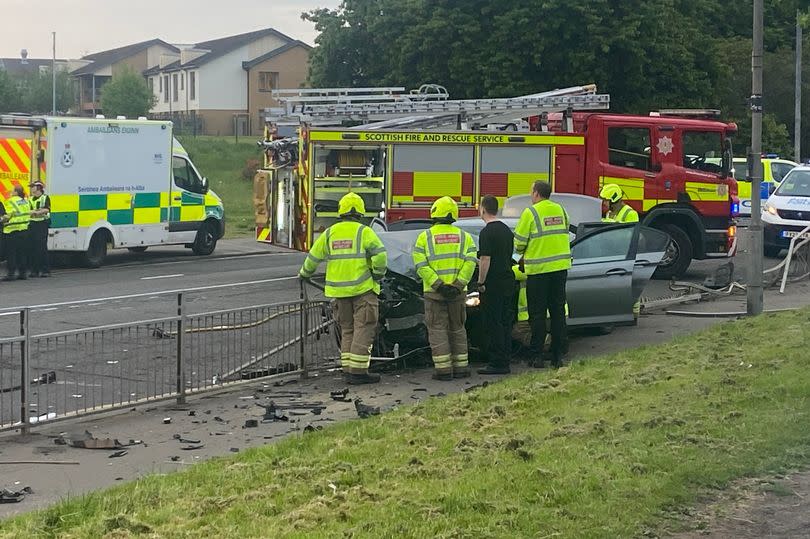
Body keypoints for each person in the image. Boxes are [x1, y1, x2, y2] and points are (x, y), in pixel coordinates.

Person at [298, 193, 387, 385]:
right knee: (363, 329)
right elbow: (380, 255)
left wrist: (304, 274)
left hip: (339, 294)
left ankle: (348, 369)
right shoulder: (364, 232)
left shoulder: (330, 233)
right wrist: (378, 275)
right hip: (363, 290)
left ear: (341, 211)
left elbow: (313, 257)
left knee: (347, 330)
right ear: (360, 212)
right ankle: (358, 372)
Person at [413, 196, 478, 381]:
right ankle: (461, 368)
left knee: (437, 329)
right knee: (458, 327)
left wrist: (439, 285)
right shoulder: (464, 237)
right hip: (458, 294)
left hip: (435, 294)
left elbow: (420, 265)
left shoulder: (424, 237)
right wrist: (458, 284)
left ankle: (443, 370)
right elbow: (471, 262)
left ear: (434, 213)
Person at [514, 180, 571, 368]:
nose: (531, 195)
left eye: (531, 192)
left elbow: (519, 243)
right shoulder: (560, 210)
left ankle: (537, 356)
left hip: (538, 272)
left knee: (537, 315)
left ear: (536, 193)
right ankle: (557, 355)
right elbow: (565, 230)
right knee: (557, 312)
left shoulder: (531, 212)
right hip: (560, 269)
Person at [475, 195, 515, 375]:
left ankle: (497, 363)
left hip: (493, 284)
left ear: (483, 209)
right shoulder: (506, 230)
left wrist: (481, 281)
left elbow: (485, 259)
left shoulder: (486, 232)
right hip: (508, 281)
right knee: (505, 323)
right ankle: (505, 359)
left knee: (493, 323)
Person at [1, 185, 32, 281]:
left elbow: (7, 215)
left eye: (12, 190)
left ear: (16, 192)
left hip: (12, 230)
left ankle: (11, 274)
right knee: (22, 253)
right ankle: (23, 273)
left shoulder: (10, 201)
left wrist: (2, 219)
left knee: (11, 253)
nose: (11, 192)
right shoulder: (25, 201)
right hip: (24, 229)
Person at [28, 181, 51, 278]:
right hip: (32, 224)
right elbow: (28, 210)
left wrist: (38, 212)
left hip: (42, 224)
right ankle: (34, 271)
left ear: (39, 188)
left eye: (33, 187)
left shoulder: (45, 197)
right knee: (33, 248)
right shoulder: (30, 199)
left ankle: (46, 270)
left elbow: (47, 209)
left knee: (41, 247)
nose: (31, 188)